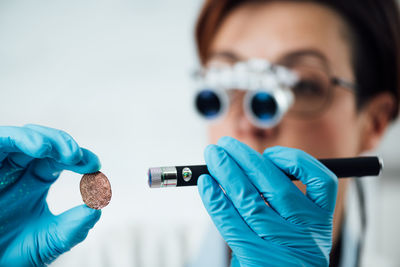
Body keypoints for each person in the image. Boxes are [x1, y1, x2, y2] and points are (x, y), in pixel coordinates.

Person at [0, 0, 399, 266]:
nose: (248, 120)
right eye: (224, 85)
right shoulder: (124, 258)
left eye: (299, 87)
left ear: (375, 122)